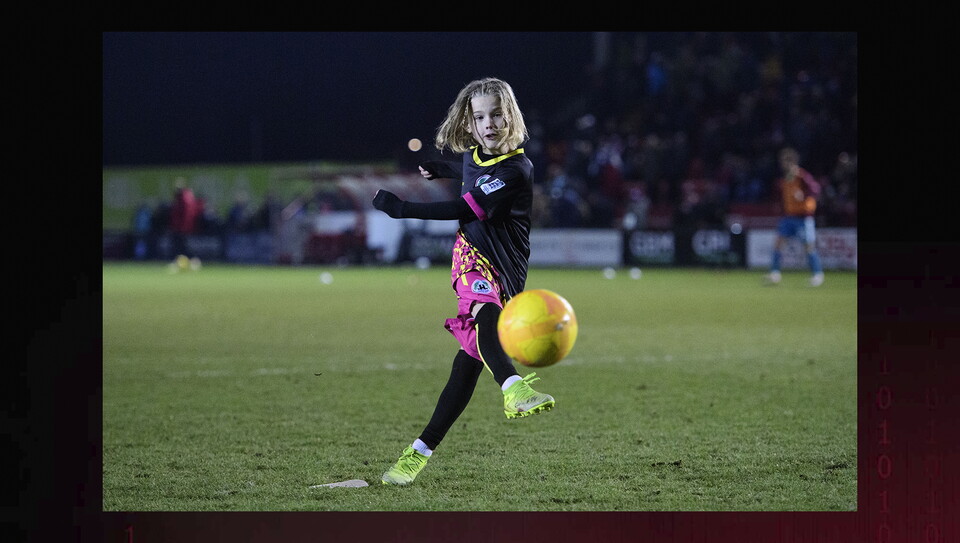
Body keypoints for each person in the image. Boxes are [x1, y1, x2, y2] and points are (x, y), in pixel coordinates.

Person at [372, 77, 555, 486]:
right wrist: (444, 167)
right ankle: (514, 388)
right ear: (470, 124)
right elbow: (471, 168)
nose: (488, 123)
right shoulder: (479, 156)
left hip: (507, 274)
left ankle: (416, 455)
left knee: (465, 371)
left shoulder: (516, 171)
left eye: (496, 115)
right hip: (472, 260)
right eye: (479, 117)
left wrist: (402, 209)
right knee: (485, 314)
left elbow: (466, 205)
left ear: (511, 117)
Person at [765, 147, 825, 286]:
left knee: (808, 247)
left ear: (792, 162)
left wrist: (804, 196)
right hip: (788, 217)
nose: (783, 165)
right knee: (778, 243)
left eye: (785, 162)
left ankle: (817, 274)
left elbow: (816, 190)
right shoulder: (785, 179)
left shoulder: (802, 176)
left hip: (803, 218)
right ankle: (775, 273)